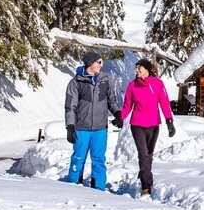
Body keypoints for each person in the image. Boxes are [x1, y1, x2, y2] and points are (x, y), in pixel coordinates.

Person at [65, 51, 122, 190]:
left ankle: (98, 189)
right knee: (78, 159)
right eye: (99, 62)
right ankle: (73, 187)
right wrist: (70, 126)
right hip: (81, 128)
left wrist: (118, 114)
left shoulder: (105, 80)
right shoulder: (76, 82)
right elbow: (70, 107)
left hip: (100, 128)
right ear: (91, 63)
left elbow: (112, 101)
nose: (101, 65)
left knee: (99, 160)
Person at [121, 58, 175, 197]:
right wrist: (120, 118)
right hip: (137, 125)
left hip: (154, 125)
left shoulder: (157, 84)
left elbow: (164, 103)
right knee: (143, 155)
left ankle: (144, 174)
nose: (137, 70)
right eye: (136, 67)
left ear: (147, 69)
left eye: (140, 67)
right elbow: (127, 106)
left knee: (149, 155)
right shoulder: (132, 85)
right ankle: (146, 187)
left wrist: (169, 120)